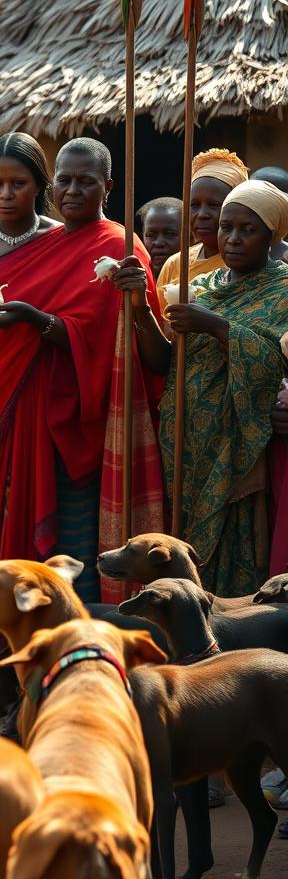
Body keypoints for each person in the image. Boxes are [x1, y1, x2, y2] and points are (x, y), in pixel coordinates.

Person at [0, 134, 163, 692]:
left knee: (62, 550)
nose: (72, 189)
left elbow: (130, 345)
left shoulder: (108, 246)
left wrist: (38, 321)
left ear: (107, 187)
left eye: (20, 184)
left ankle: (69, 674)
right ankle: (2, 681)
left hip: (66, 419)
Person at [124, 180, 288, 596]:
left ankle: (234, 635)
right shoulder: (203, 286)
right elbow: (163, 362)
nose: (232, 238)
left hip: (240, 445)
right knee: (183, 540)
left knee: (236, 543)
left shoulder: (283, 289)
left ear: (273, 235)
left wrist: (216, 326)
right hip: (185, 440)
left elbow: (275, 363)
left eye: (247, 230)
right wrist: (143, 308)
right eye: (226, 227)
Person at [156, 149, 248, 315]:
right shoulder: (176, 264)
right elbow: (162, 328)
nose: (202, 214)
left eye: (213, 205)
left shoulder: (245, 264)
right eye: (194, 205)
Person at [137, 197, 182, 279]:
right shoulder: (130, 283)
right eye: (151, 235)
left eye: (170, 234)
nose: (158, 243)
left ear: (191, 238)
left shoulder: (203, 282)